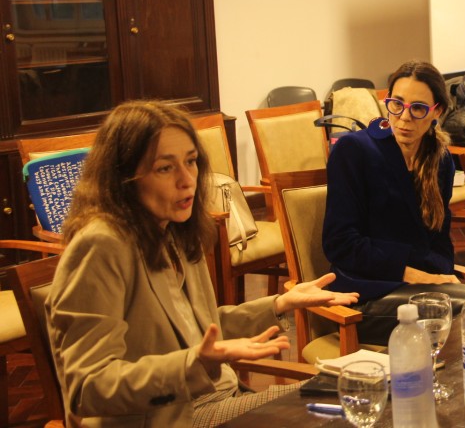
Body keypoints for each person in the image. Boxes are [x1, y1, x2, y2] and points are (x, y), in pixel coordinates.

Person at [47, 101, 358, 428]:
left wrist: (281, 303)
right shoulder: (101, 245)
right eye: (165, 168)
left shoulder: (176, 231)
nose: (187, 180)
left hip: (224, 400)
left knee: (358, 393)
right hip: (173, 417)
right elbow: (88, 386)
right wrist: (190, 364)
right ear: (123, 177)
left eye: (191, 162)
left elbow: (197, 330)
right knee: (345, 403)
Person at [322, 60, 465, 343]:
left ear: (436, 112)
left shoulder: (440, 161)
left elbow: (440, 242)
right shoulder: (355, 151)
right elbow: (340, 243)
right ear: (386, 102)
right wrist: (416, 274)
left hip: (419, 289)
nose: (404, 117)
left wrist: (439, 275)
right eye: (396, 104)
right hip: (365, 293)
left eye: (418, 108)